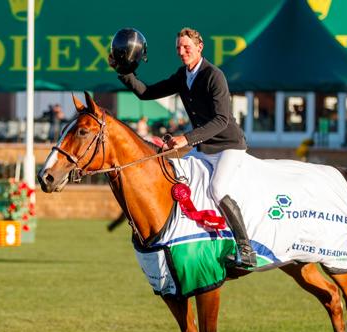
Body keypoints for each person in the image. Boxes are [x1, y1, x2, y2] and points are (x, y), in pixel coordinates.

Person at [110, 27, 256, 268]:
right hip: (205, 148)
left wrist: (186, 139)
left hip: (229, 146)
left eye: (187, 47)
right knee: (179, 185)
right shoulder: (182, 75)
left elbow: (221, 120)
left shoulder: (213, 75)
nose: (182, 51)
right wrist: (123, 71)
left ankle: (245, 249)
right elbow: (147, 93)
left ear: (200, 47)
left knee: (218, 189)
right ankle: (195, 241)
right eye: (179, 47)